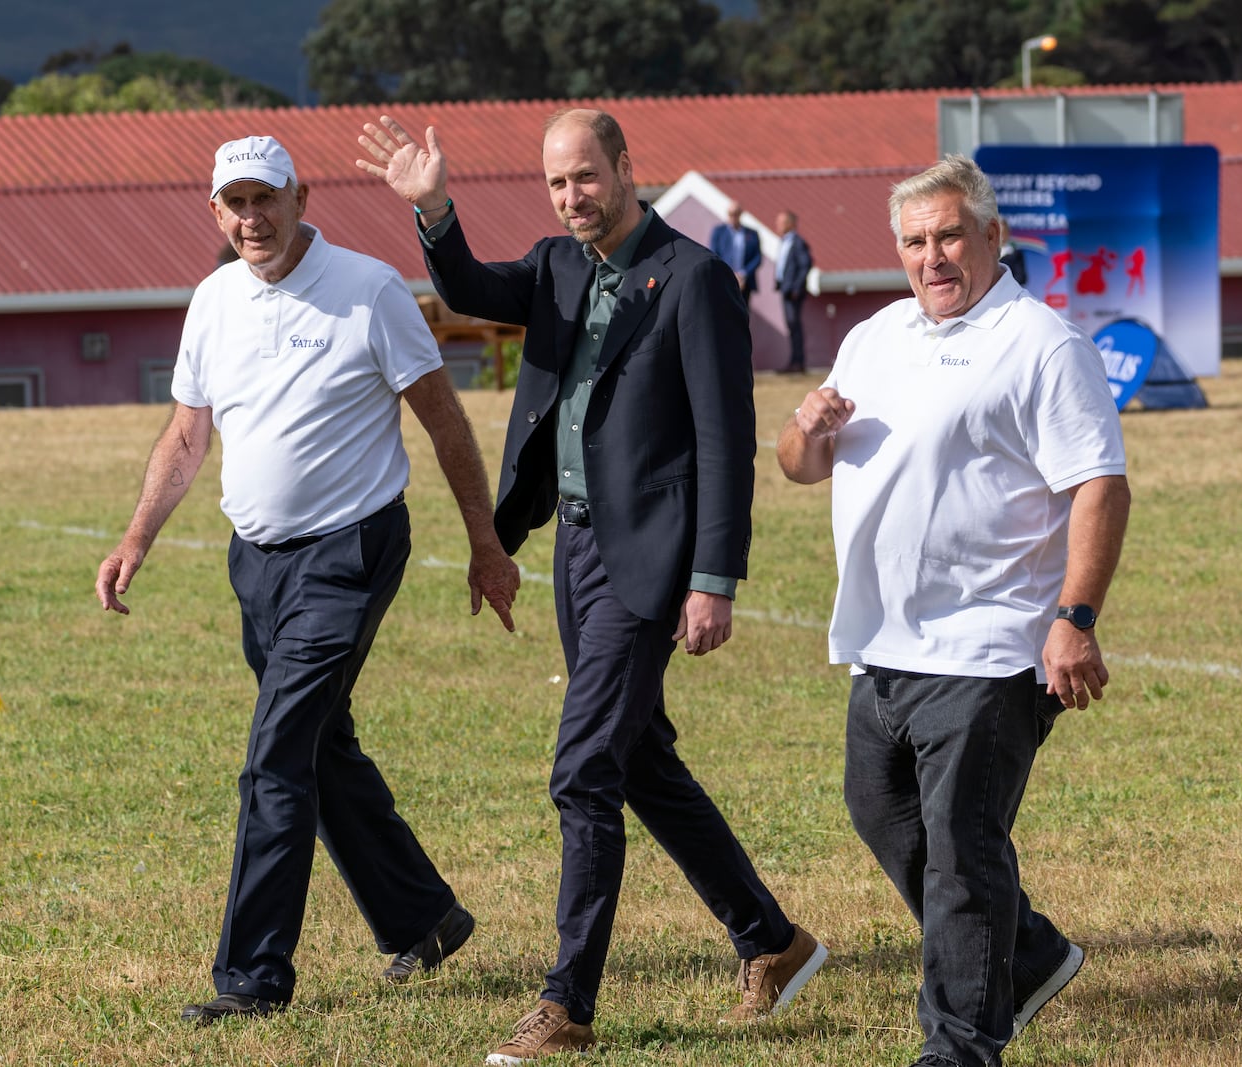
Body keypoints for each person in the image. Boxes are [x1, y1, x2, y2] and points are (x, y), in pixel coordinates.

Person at [357, 109, 826, 1064]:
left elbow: (724, 445)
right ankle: (773, 942)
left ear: (623, 167)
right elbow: (471, 288)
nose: (572, 199)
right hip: (572, 550)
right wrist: (435, 208)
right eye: (557, 184)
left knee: (584, 771)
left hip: (646, 557)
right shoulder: (557, 263)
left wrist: (712, 579)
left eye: (586, 178)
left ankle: (566, 1005)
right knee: (638, 760)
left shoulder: (694, 279)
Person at [95, 135, 520, 1025]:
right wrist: (138, 533)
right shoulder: (212, 300)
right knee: (318, 745)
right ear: (215, 211)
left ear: (300, 197)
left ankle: (251, 980)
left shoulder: (368, 291)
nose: (252, 218)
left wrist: (487, 546)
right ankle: (423, 916)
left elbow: (444, 423)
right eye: (235, 203)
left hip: (351, 552)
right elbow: (185, 437)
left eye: (266, 199)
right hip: (257, 563)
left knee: (276, 757)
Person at [777, 154, 1130, 1067]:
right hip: (881, 639)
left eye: (948, 236)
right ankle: (1033, 953)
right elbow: (800, 465)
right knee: (880, 811)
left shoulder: (1042, 345)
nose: (933, 257)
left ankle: (960, 1043)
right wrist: (803, 433)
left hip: (993, 644)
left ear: (991, 238)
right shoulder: (875, 336)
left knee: (963, 851)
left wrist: (1074, 617)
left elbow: (1098, 486)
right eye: (914, 241)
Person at [774, 210, 812, 372]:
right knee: (791, 326)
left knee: (794, 325)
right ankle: (793, 361)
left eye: (781, 222)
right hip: (785, 289)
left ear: (790, 224)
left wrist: (796, 287)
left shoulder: (797, 242)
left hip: (793, 292)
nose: (777, 225)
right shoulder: (783, 242)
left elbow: (805, 265)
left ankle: (798, 362)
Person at [707, 201, 762, 307]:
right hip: (724, 279)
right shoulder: (719, 232)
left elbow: (757, 257)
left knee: (743, 311)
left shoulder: (752, 234)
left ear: (740, 214)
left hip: (744, 282)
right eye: (730, 213)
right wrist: (730, 273)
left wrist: (742, 274)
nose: (733, 217)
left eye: (736, 213)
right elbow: (714, 254)